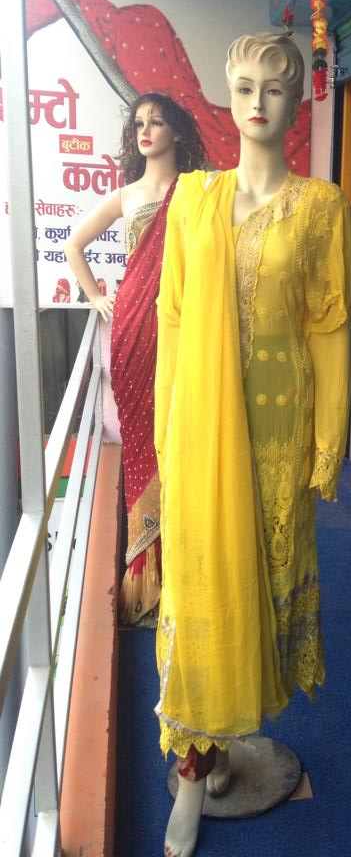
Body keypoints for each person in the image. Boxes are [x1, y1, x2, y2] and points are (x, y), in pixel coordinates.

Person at [154, 33, 351, 857]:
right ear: (227, 97)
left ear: (297, 100)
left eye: (274, 88)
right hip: (200, 433)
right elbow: (171, 318)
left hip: (277, 434)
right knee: (201, 590)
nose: (257, 102)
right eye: (243, 87)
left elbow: (329, 325)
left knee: (262, 585)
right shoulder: (192, 199)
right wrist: (165, 431)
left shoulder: (321, 206)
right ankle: (193, 773)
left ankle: (233, 738)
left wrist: (328, 440)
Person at [64, 93, 207, 627]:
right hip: (131, 333)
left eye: (157, 122)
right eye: (140, 123)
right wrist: (97, 297)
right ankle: (146, 581)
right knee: (144, 446)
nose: (146, 131)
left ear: (177, 132)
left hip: (181, 330)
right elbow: (74, 245)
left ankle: (184, 574)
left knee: (181, 440)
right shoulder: (126, 196)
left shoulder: (195, 193)